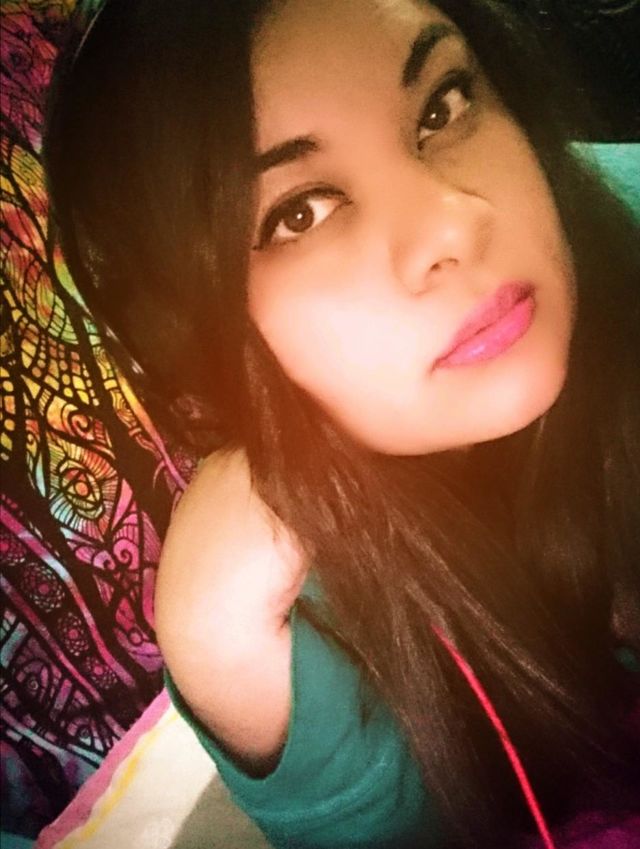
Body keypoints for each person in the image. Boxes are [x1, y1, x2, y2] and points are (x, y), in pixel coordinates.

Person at [43, 0, 640, 846]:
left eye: (442, 107)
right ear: (194, 337)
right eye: (300, 212)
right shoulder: (279, 578)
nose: (455, 221)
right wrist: (216, 644)